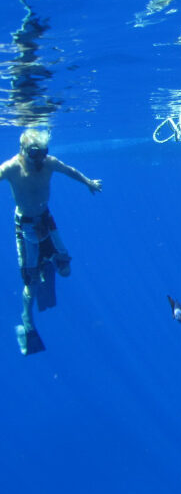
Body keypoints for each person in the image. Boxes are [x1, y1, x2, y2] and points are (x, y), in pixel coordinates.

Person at [0, 128, 102, 355]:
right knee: (31, 284)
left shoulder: (49, 163)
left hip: (45, 219)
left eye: (43, 153)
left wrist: (88, 182)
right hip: (25, 226)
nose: (40, 159)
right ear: (22, 150)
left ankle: (47, 262)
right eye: (35, 154)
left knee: (65, 270)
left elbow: (69, 171)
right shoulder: (11, 168)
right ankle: (27, 320)